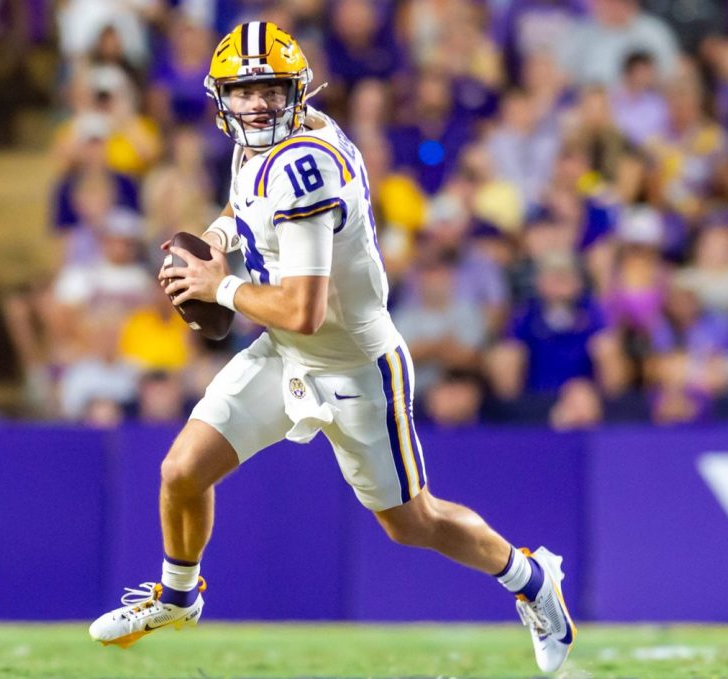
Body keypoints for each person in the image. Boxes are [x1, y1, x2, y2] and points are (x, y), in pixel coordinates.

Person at [88, 22, 576, 673]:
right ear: (222, 97)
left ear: (296, 91)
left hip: (354, 363)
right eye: (243, 91)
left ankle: (533, 580)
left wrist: (219, 282)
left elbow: (305, 307)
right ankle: (178, 597)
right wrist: (213, 238)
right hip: (285, 351)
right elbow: (247, 214)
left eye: (268, 90)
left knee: (412, 521)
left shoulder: (306, 168)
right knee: (181, 471)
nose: (256, 104)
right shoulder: (257, 146)